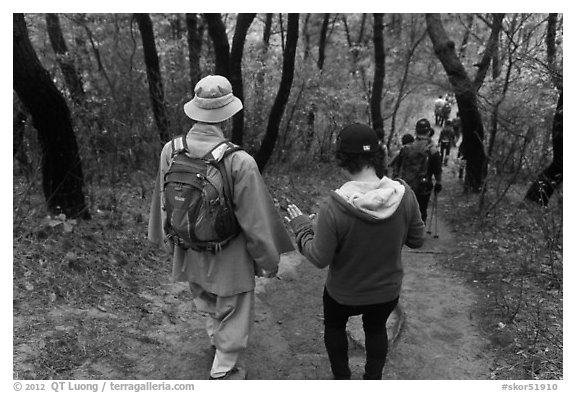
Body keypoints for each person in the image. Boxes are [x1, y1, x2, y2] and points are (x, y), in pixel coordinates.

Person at [148, 75, 294, 380]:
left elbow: (163, 200)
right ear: (227, 113)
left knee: (208, 299)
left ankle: (217, 341)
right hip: (229, 253)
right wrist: (268, 260)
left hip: (189, 246)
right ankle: (224, 368)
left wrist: (164, 239)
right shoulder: (239, 160)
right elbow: (255, 221)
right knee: (235, 306)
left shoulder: (171, 150)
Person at [284, 123, 425, 380]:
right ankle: (372, 379)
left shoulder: (334, 207)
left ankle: (342, 379)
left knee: (335, 326)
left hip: (343, 293)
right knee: (376, 329)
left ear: (342, 160)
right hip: (386, 291)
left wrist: (303, 226)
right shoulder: (405, 195)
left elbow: (318, 257)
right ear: (377, 156)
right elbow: (418, 240)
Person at [395, 118, 442, 224]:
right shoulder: (433, 151)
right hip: (423, 187)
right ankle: (418, 236)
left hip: (405, 186)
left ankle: (404, 235)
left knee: (405, 211)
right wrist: (438, 183)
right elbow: (437, 171)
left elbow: (397, 167)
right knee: (421, 211)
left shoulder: (405, 148)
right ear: (429, 132)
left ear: (415, 131)